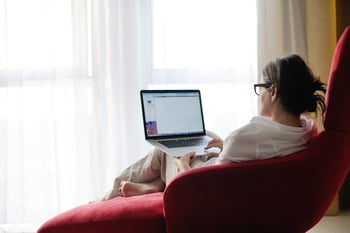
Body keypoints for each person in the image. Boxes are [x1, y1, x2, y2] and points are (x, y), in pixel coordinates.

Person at [102, 54, 326, 200]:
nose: (260, 96)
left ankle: (112, 195)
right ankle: (155, 185)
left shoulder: (246, 138)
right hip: (226, 175)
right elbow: (241, 159)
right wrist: (226, 146)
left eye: (260, 88)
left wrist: (182, 166)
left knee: (167, 148)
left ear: (273, 91)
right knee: (205, 136)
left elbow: (203, 191)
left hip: (195, 188)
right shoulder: (306, 129)